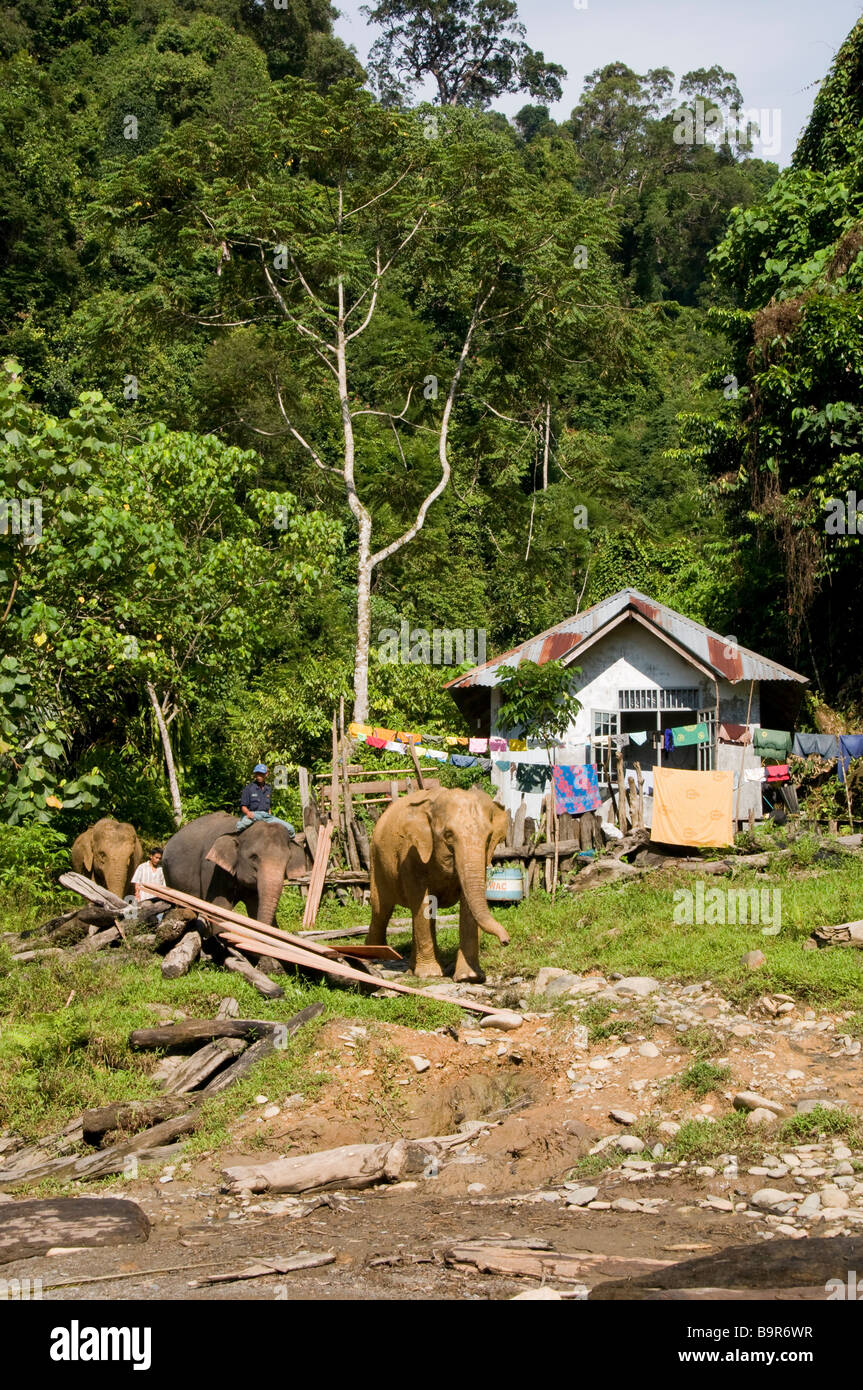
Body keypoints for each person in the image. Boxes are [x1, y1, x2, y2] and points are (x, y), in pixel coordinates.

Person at [237, 764, 295, 835]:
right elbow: (243, 807)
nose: (259, 776)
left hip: (267, 817)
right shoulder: (249, 788)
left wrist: (269, 813)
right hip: (254, 815)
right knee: (240, 826)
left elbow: (268, 805)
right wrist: (248, 813)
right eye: (257, 774)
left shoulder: (268, 788)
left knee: (290, 829)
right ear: (255, 775)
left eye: (261, 774)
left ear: (266, 774)